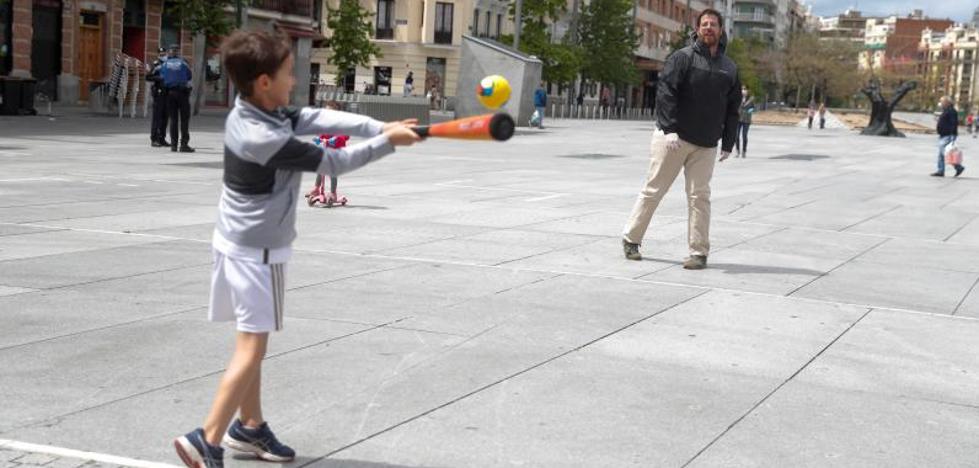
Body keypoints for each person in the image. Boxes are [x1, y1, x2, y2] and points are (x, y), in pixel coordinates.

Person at [171, 30, 420, 468]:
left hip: (234, 243)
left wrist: (378, 125)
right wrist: (388, 143)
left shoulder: (251, 111)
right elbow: (335, 162)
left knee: (250, 340)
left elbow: (314, 116)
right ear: (264, 81)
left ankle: (249, 427)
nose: (295, 80)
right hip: (258, 254)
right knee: (253, 348)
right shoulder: (262, 137)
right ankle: (206, 438)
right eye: (289, 73)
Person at [621, 8, 740, 270]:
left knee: (700, 197)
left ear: (721, 31)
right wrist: (669, 128)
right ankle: (631, 239)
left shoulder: (729, 68)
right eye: (704, 24)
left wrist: (728, 143)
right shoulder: (682, 58)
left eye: (713, 24)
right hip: (673, 138)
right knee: (654, 190)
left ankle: (699, 253)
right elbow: (666, 93)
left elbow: (733, 107)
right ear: (697, 29)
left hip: (706, 144)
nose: (708, 28)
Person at [161, 44, 195, 152]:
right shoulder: (183, 63)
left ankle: (173, 145)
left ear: (170, 52)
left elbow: (162, 77)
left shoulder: (165, 64)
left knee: (173, 120)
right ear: (178, 52)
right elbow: (189, 76)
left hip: (170, 93)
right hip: (182, 93)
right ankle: (184, 145)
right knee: (184, 120)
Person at [932, 96, 963, 178]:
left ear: (947, 103)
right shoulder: (946, 111)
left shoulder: (952, 111)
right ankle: (941, 170)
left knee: (945, 154)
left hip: (948, 135)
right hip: (944, 135)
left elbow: (954, 123)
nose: (941, 104)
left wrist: (952, 135)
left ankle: (958, 167)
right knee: (943, 154)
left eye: (942, 102)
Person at [146, 47, 170, 148]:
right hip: (158, 93)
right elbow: (148, 77)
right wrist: (160, 78)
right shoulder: (155, 65)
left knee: (165, 117)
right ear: (158, 54)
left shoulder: (169, 64)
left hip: (168, 93)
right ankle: (154, 138)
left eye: (164, 53)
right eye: (160, 53)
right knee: (157, 117)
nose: (162, 55)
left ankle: (162, 138)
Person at [736, 86, 753, 157]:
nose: (743, 91)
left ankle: (744, 151)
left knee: (744, 136)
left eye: (745, 89)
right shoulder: (737, 98)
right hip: (738, 119)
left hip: (746, 120)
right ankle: (737, 151)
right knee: (736, 136)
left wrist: (748, 111)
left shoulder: (751, 99)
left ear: (748, 90)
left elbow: (752, 108)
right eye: (742, 89)